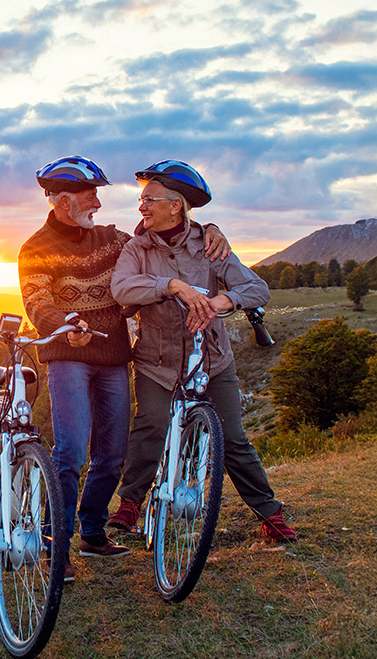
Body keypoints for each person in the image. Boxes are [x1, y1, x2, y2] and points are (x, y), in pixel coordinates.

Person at [18, 157, 234, 572]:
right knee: (71, 452)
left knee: (112, 454)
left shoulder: (114, 240)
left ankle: (92, 532)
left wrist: (209, 228)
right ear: (63, 202)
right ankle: (55, 547)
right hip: (68, 357)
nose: (98, 203)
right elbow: (36, 301)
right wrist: (65, 324)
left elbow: (163, 232)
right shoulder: (36, 248)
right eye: (90, 196)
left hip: (115, 356)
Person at [107, 159, 298, 543]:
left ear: (176, 205)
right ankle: (130, 503)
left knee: (232, 438)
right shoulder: (136, 247)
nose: (141, 207)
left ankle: (270, 512)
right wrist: (172, 285)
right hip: (156, 361)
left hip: (212, 358)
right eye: (141, 200)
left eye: (149, 200)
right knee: (152, 426)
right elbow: (122, 289)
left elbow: (257, 288)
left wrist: (222, 302)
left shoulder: (210, 244)